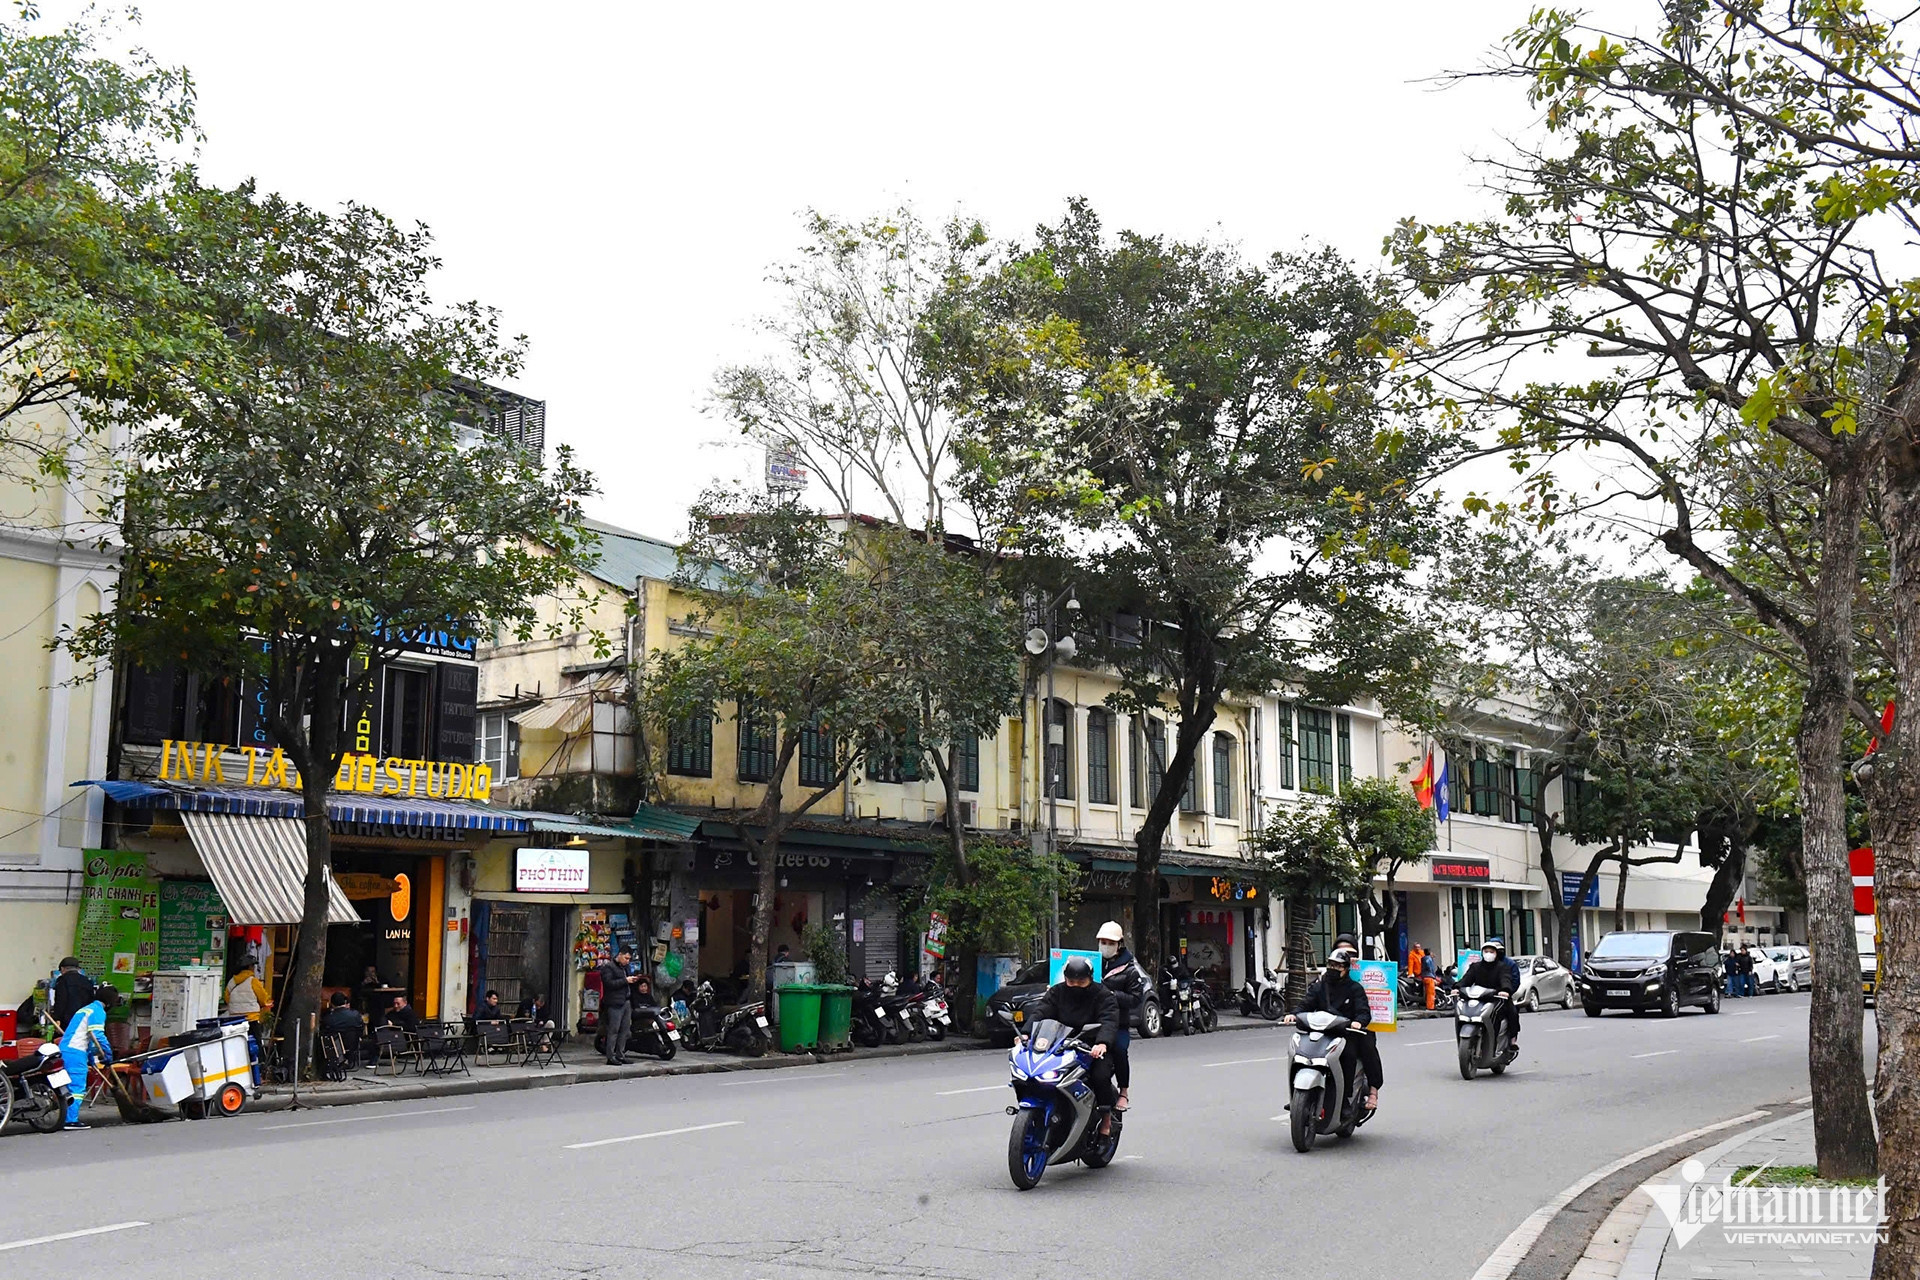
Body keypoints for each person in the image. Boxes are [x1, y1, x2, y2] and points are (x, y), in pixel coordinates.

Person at [1024, 956, 1121, 1131]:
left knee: (1100, 1076)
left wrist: (1102, 1043)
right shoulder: (1057, 992)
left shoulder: (1103, 995)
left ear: (1090, 978)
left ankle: (1106, 1119)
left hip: (1091, 1047)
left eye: (1081, 981)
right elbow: (1042, 1011)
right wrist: (1026, 1033)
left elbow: (1109, 1020)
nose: (1075, 985)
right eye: (1071, 981)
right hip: (1059, 1044)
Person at [1289, 946, 1382, 1110]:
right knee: (1300, 1051)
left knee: (1348, 1055)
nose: (1333, 969)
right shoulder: (1319, 987)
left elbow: (1363, 1012)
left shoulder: (1355, 988)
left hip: (1345, 1034)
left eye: (1338, 966)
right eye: (1331, 965)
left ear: (1346, 969)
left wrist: (1358, 1022)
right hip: (1321, 1032)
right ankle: (1295, 1096)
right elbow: (1306, 1004)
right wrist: (1294, 1014)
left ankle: (1345, 1100)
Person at [1097, 921, 1147, 1113]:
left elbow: (1136, 999)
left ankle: (1123, 1091)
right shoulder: (1092, 963)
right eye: (1102, 942)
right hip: (1092, 1021)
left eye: (1110, 942)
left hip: (1117, 1023)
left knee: (1118, 1050)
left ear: (1119, 944)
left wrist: (1112, 994)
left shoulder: (1129, 970)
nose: (1105, 946)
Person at [57, 982, 118, 1130]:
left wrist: (91, 1055)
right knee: (77, 1088)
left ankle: (64, 1117)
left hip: (67, 1050)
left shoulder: (85, 1010)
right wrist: (108, 1052)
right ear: (110, 1002)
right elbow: (97, 1035)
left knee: (67, 1087)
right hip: (76, 1052)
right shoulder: (98, 1011)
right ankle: (71, 1120)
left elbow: (89, 1037)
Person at [1462, 939, 1522, 1050]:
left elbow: (1507, 980)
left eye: (1492, 951)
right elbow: (1466, 979)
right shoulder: (1476, 966)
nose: (1489, 954)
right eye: (1486, 951)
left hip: (1498, 998)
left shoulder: (1504, 966)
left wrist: (1506, 990)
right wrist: (1457, 987)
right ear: (1482, 953)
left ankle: (1509, 1040)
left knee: (1511, 1013)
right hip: (1480, 998)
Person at [596, 948, 639, 1065]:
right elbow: (609, 983)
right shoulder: (608, 967)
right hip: (614, 1003)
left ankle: (620, 1054)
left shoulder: (626, 968)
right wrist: (625, 980)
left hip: (626, 1001)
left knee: (624, 1030)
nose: (627, 961)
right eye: (626, 958)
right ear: (619, 955)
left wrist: (633, 980)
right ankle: (610, 1056)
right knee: (613, 1030)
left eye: (629, 959)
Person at [320, 991, 364, 1065]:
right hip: (353, 1044)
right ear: (345, 1002)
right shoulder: (355, 1014)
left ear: (332, 1004)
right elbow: (361, 1028)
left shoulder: (329, 1018)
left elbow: (324, 1030)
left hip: (336, 1047)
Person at [224, 957, 273, 1023]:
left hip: (234, 1018)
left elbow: (227, 998)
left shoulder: (232, 981)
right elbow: (263, 998)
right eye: (253, 966)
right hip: (251, 1017)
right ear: (250, 967)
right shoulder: (253, 981)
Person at [50, 956, 94, 1030]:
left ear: (62, 969)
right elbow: (91, 1000)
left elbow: (61, 1000)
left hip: (67, 1019)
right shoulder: (87, 981)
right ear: (78, 969)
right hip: (84, 1018)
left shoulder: (62, 980)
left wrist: (57, 1018)